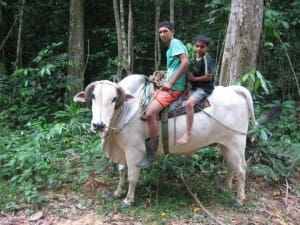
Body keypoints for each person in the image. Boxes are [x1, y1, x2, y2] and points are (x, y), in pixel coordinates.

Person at [136, 21, 190, 168]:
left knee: (151, 113)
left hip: (174, 88)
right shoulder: (170, 49)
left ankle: (151, 153)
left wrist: (171, 82)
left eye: (165, 31)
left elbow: (185, 63)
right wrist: (163, 75)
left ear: (172, 32)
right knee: (147, 97)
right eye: (160, 32)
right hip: (170, 84)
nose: (162, 35)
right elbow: (175, 67)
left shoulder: (175, 43)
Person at [176, 34, 215, 145]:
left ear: (207, 48)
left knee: (189, 104)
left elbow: (209, 76)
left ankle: (188, 133)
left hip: (204, 87)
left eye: (202, 47)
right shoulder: (193, 57)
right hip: (194, 86)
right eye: (197, 46)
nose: (199, 49)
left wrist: (194, 78)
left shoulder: (206, 57)